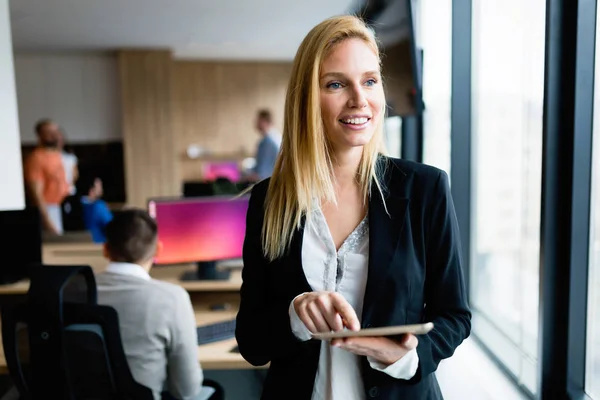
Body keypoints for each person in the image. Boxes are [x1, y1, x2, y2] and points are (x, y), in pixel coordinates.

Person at [235, 15, 471, 400]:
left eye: (370, 81)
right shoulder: (269, 200)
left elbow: (454, 316)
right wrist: (297, 315)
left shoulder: (426, 189)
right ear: (307, 98)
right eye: (336, 84)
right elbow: (252, 342)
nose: (360, 100)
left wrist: (405, 357)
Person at [96, 209, 206, 400]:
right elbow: (186, 390)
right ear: (158, 250)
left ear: (105, 249)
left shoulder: (73, 292)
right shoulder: (172, 298)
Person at [24, 119, 70, 235]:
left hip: (64, 208)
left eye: (56, 131)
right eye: (49, 132)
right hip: (49, 209)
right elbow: (37, 195)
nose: (54, 135)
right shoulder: (36, 158)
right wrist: (47, 220)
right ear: (40, 135)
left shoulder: (58, 155)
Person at [249, 109, 282, 181]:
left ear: (264, 121)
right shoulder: (277, 136)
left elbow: (261, 174)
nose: (255, 123)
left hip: (268, 183)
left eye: (258, 120)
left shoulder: (268, 142)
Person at [78, 175, 113, 243]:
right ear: (91, 190)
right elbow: (112, 226)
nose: (101, 190)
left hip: (83, 245)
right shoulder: (99, 206)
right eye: (99, 187)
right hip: (101, 245)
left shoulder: (79, 205)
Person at [57, 130, 79, 195]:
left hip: (68, 192)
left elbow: (75, 175)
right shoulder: (45, 158)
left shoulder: (71, 158)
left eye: (60, 140)